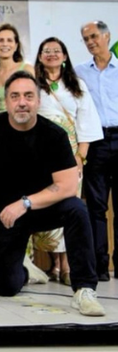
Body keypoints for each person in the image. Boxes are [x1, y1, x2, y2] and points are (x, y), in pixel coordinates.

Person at [0, 71, 105, 316]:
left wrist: (25, 203)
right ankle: (25, 270)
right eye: (15, 96)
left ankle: (84, 288)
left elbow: (68, 186)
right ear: (6, 102)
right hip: (5, 216)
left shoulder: (54, 135)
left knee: (76, 209)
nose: (22, 102)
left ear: (38, 101)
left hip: (40, 208)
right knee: (7, 288)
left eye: (29, 96)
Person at [34, 37, 102, 285]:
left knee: (70, 207)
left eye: (56, 50)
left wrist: (80, 156)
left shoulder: (77, 85)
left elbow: (87, 124)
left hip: (70, 157)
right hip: (41, 156)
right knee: (48, 205)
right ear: (40, 56)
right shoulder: (34, 85)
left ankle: (67, 265)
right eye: (46, 51)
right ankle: (53, 263)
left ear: (64, 56)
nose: (51, 54)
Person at [75, 21, 118, 282]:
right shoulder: (79, 72)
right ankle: (100, 266)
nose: (90, 42)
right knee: (96, 208)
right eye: (85, 39)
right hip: (96, 142)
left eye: (93, 37)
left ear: (106, 36)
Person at [0, 23, 35, 111]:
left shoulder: (27, 69)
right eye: (1, 40)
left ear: (16, 46)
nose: (5, 44)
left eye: (9, 40)